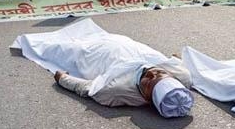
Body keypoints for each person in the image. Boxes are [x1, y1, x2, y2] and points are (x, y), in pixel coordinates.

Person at [11, 18, 194, 118]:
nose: (152, 72)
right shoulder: (182, 77)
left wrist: (62, 79)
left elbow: (87, 88)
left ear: (147, 98)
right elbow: (176, 62)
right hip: (127, 45)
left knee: (64, 49)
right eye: (161, 73)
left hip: (99, 56)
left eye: (150, 81)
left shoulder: (115, 92)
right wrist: (170, 61)